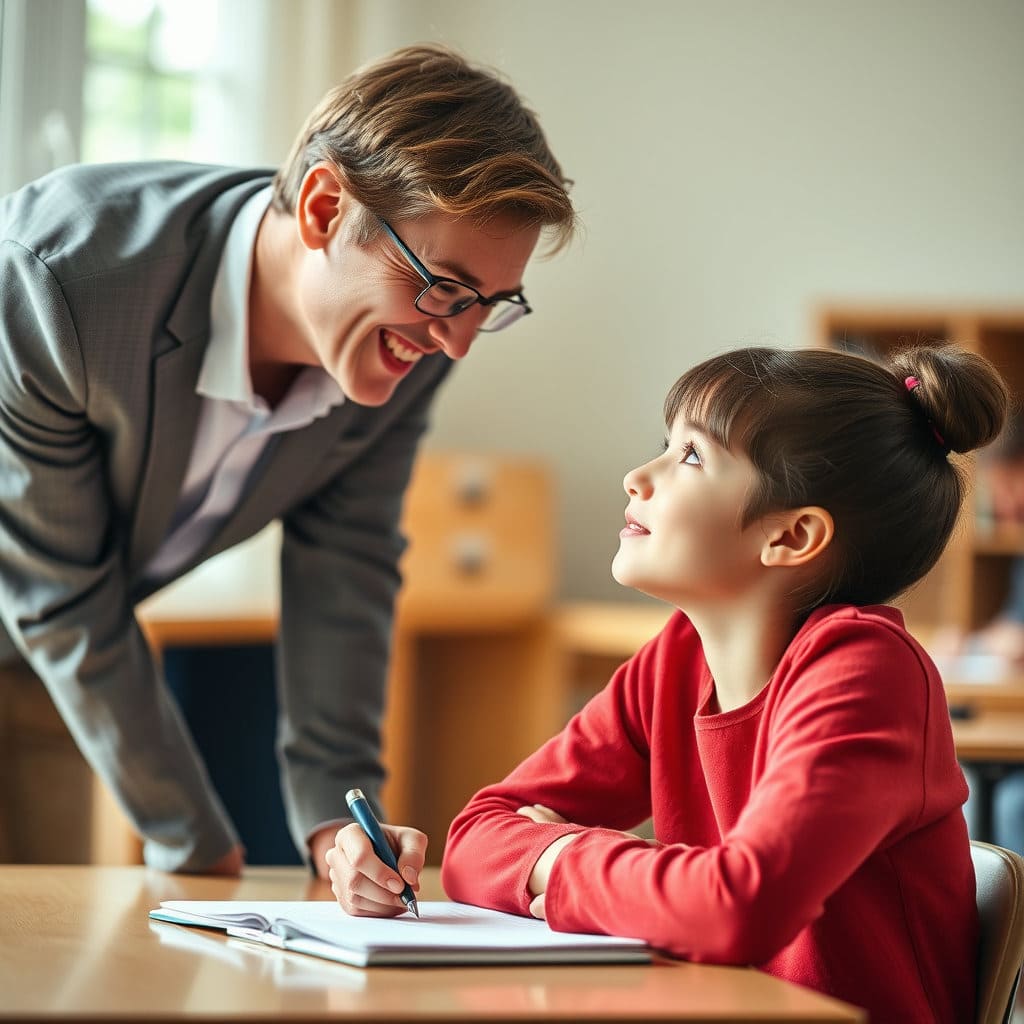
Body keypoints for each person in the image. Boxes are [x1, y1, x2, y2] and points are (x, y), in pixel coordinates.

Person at [0, 43, 575, 876]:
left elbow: (347, 569)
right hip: (59, 620)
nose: (456, 341)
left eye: (488, 306)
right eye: (444, 288)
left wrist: (337, 829)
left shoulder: (402, 353)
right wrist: (195, 841)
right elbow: (60, 591)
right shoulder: (62, 282)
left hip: (50, 671)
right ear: (322, 207)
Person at [327, 344, 1007, 1022]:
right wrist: (631, 874)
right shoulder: (676, 660)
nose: (637, 477)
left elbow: (739, 908)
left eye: (690, 457)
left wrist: (563, 855)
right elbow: (475, 839)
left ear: (793, 536)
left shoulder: (866, 671)